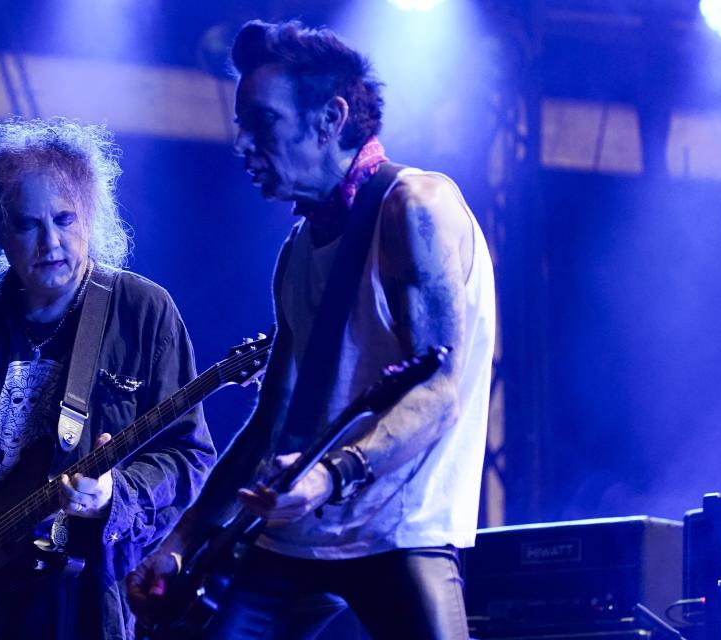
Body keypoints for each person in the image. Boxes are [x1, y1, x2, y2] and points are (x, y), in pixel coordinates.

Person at [128, 20, 495, 640]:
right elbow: (271, 424)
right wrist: (181, 540)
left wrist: (332, 474)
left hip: (397, 530)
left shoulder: (417, 209)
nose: (240, 142)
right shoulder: (298, 250)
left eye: (261, 121)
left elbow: (439, 393)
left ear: (331, 118)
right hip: (292, 538)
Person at [0, 118, 215, 640]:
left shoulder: (143, 311)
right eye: (27, 224)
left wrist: (113, 494)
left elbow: (189, 456)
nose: (49, 241)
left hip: (80, 604)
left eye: (64, 218)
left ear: (89, 216)